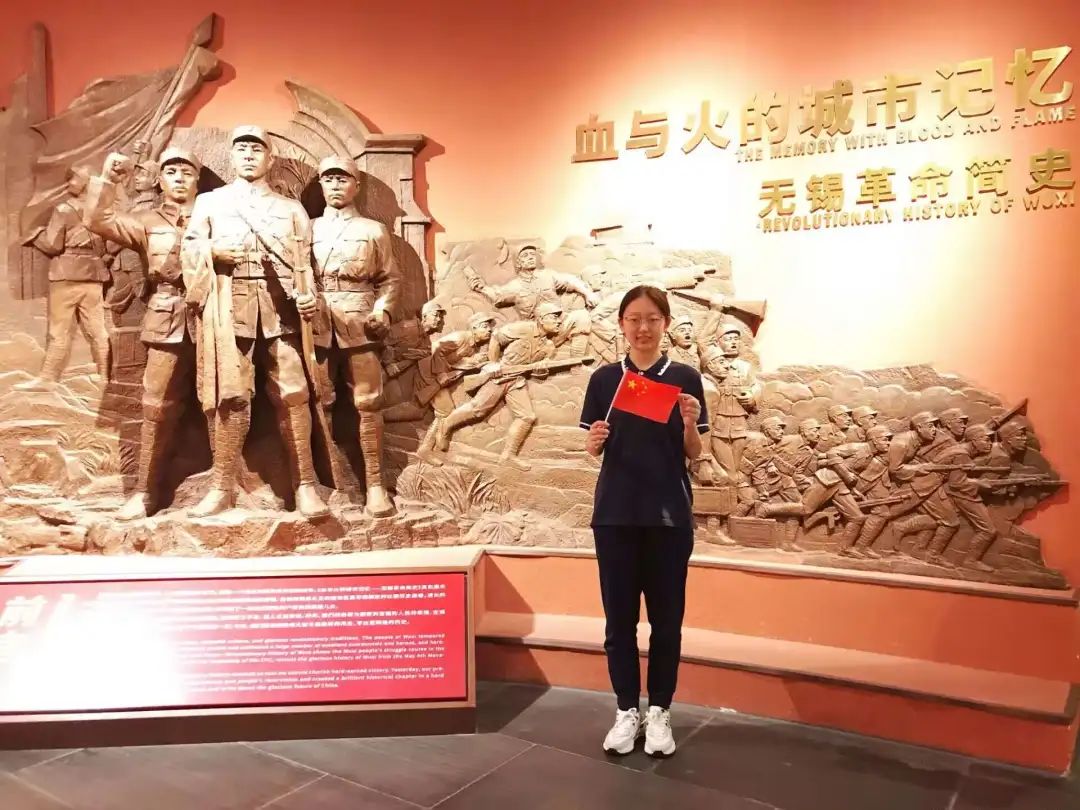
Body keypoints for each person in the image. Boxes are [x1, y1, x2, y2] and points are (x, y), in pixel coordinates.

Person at [580, 285, 708, 759]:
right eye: (634, 318)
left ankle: (659, 712)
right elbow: (593, 447)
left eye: (652, 318)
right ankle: (625, 711)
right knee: (619, 623)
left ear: (665, 324)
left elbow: (694, 452)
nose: (643, 327)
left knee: (667, 623)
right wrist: (593, 442)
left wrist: (690, 422)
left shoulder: (684, 378)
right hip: (615, 516)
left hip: (668, 519)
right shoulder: (605, 380)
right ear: (621, 324)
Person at [182, 125, 327, 519]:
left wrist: (310, 295)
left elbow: (306, 265)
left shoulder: (291, 209)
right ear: (232, 156)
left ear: (269, 157)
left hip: (281, 308)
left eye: (256, 149)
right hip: (230, 307)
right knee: (232, 397)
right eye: (241, 149)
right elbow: (190, 248)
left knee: (294, 393)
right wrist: (213, 251)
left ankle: (306, 486)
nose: (248, 155)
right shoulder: (211, 203)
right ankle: (221, 488)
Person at [84, 147, 203, 520]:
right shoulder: (145, 221)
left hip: (214, 318)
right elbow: (98, 219)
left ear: (197, 179)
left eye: (186, 172)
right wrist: (108, 178)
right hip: (166, 317)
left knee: (227, 401)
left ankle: (226, 489)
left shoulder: (214, 215)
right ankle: (145, 492)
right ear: (160, 180)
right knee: (155, 406)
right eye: (171, 172)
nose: (179, 178)